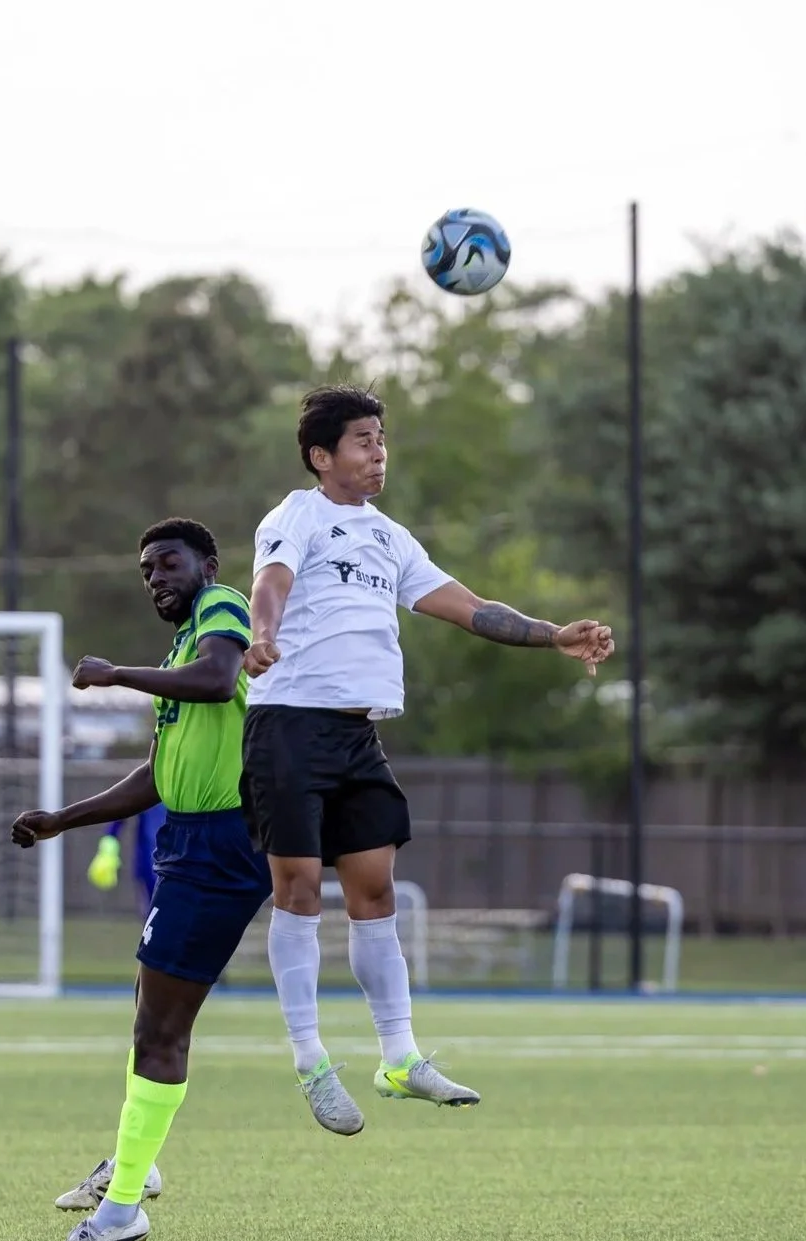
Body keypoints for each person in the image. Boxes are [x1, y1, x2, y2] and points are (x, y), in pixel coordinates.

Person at [243, 384, 615, 1133]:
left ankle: (400, 1058)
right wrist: (262, 633)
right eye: (362, 441)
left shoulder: (389, 537)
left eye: (382, 439)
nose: (378, 453)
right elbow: (270, 583)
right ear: (322, 456)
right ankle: (311, 1059)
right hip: (289, 725)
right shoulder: (297, 515)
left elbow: (472, 609)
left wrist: (554, 635)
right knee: (301, 891)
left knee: (375, 890)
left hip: (356, 735)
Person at [11, 519, 272, 1241]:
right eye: (146, 569)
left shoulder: (222, 608)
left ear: (207, 565)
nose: (155, 576)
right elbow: (157, 774)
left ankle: (122, 1211)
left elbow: (221, 680)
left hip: (223, 846)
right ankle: (136, 1167)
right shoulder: (178, 647)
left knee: (161, 1033)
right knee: (147, 1019)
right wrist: (62, 820)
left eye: (168, 562)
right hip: (187, 844)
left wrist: (116, 673)